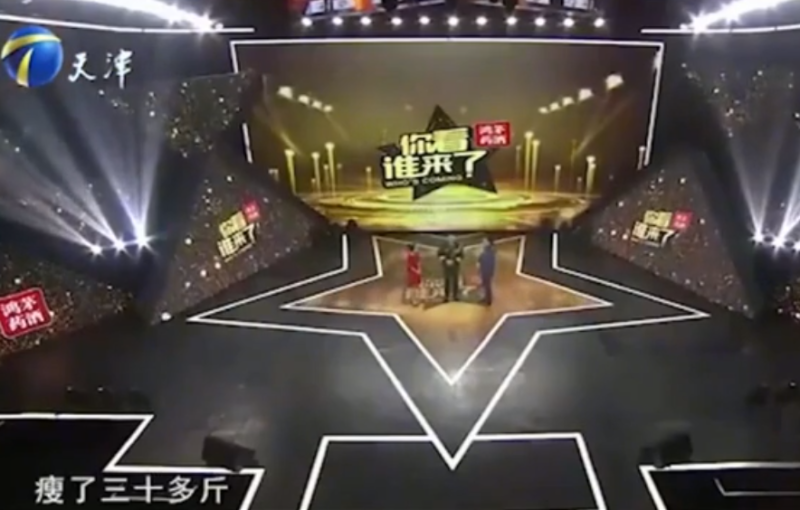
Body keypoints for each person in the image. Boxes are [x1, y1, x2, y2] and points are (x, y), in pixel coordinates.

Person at [437, 235, 463, 302]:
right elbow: (439, 254)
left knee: (455, 280)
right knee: (447, 281)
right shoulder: (443, 246)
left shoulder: (458, 245)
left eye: (452, 239)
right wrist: (445, 260)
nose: (451, 240)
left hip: (455, 265)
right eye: (450, 239)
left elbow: (461, 255)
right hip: (446, 265)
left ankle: (455, 296)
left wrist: (458, 259)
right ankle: (446, 296)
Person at [477, 236, 496, 305]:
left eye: (484, 241)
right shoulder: (486, 250)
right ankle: (485, 298)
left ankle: (488, 300)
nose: (483, 242)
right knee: (485, 285)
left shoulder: (489, 251)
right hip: (485, 270)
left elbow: (487, 260)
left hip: (487, 270)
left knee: (487, 286)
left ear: (488, 242)